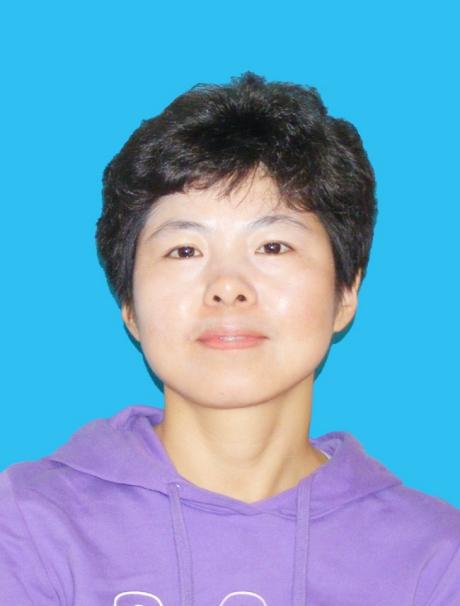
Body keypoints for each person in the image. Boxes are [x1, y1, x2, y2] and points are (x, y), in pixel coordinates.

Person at [1, 72, 459, 606]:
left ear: (345, 293)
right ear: (129, 306)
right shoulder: (29, 528)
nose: (227, 287)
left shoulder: (434, 557)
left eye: (272, 246)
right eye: (185, 251)